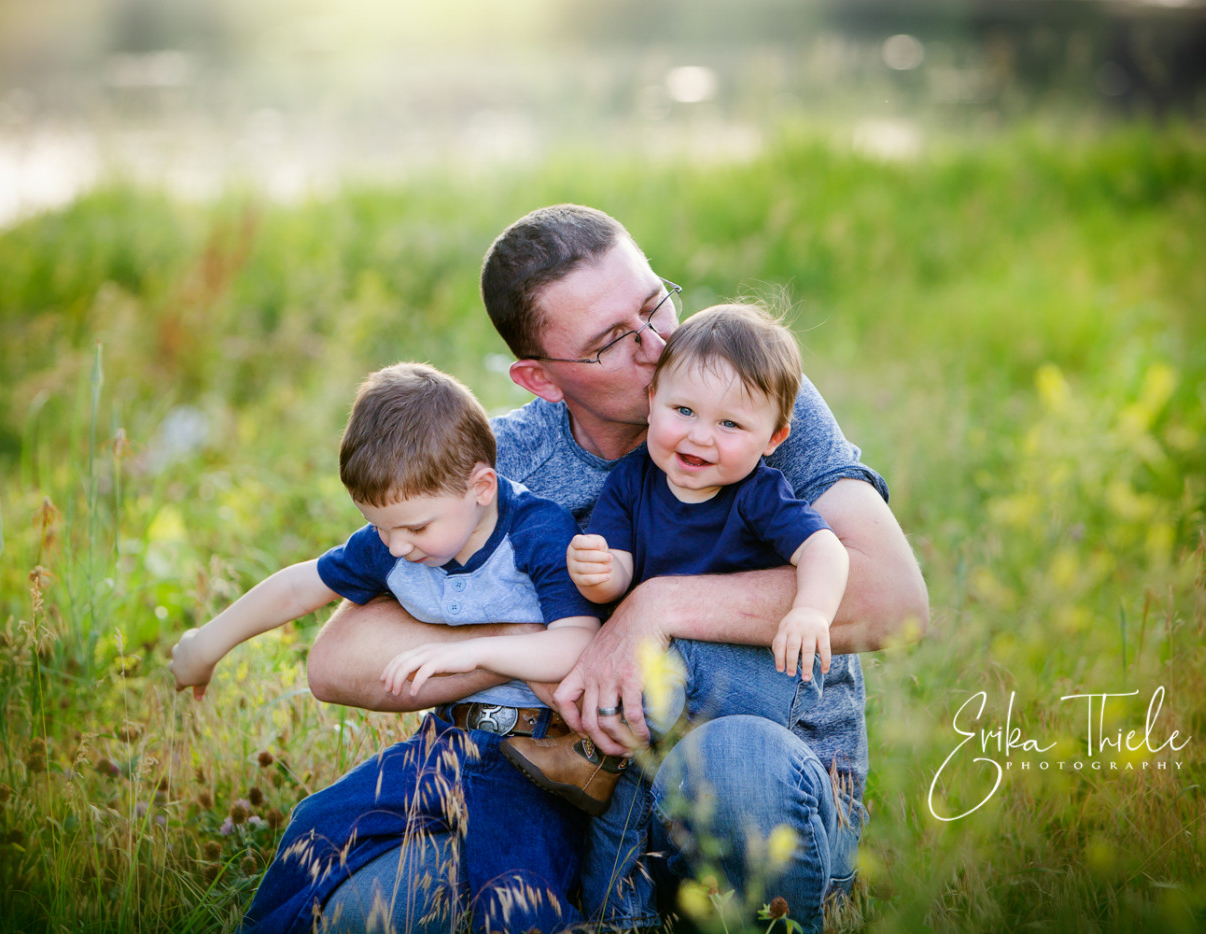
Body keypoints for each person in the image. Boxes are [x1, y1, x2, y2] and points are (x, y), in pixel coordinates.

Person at [302, 204, 930, 932]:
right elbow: (337, 659)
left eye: (656, 305)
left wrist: (652, 607)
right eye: (612, 342)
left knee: (733, 763)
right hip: (565, 796)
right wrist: (547, 647)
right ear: (540, 378)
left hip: (758, 776)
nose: (659, 345)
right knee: (361, 917)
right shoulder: (497, 465)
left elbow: (894, 599)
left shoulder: (741, 395)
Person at [169, 362, 601, 934]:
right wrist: (207, 643)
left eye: (416, 529)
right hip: (446, 743)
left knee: (513, 897)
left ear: (480, 487)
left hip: (532, 759)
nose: (398, 546)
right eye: (380, 527)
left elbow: (577, 646)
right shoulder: (394, 541)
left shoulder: (538, 533)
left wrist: (471, 655)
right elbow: (302, 585)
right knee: (316, 827)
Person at [501, 303, 850, 817]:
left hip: (752, 683)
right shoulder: (632, 480)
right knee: (620, 799)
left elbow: (824, 549)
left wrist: (811, 612)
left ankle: (591, 743)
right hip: (669, 703)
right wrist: (597, 572)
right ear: (652, 401)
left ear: (774, 438)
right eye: (683, 411)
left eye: (730, 424)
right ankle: (615, 890)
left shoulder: (758, 495)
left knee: (665, 663)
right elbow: (615, 579)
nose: (700, 436)